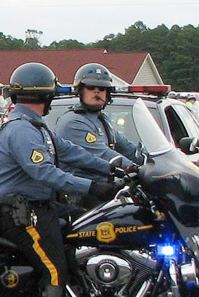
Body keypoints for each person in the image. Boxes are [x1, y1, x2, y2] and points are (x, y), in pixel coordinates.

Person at [0, 62, 116, 297]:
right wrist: (93, 186)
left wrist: (118, 167)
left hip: (41, 208)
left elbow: (74, 153)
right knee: (54, 270)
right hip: (21, 215)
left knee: (89, 230)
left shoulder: (37, 127)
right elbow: (44, 172)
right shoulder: (20, 130)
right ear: (44, 96)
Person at [53, 63, 144, 208]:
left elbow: (126, 147)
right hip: (80, 196)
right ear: (80, 90)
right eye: (90, 87)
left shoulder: (102, 119)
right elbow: (103, 155)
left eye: (102, 88)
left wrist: (151, 160)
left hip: (105, 190)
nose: (97, 92)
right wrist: (133, 168)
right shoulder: (73, 122)